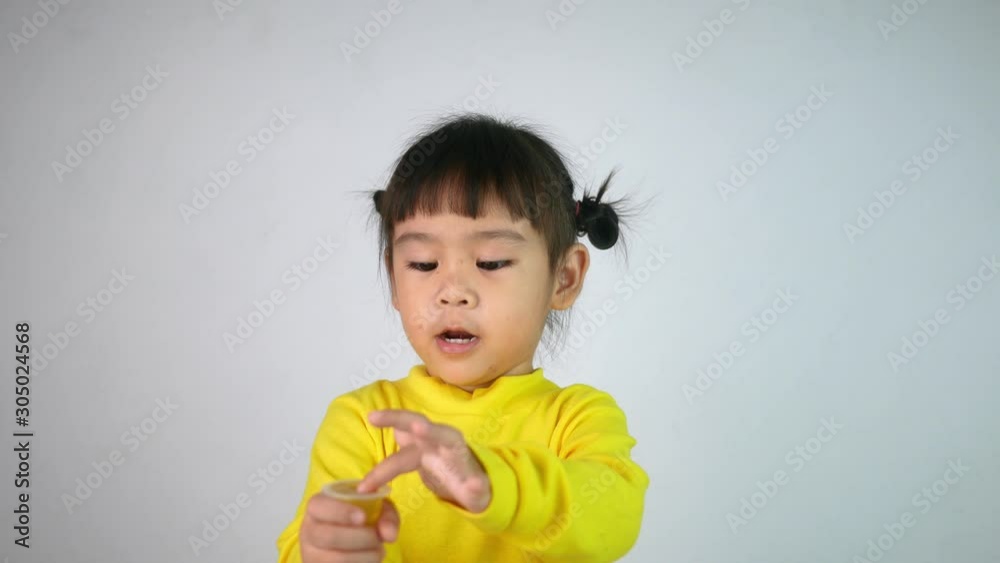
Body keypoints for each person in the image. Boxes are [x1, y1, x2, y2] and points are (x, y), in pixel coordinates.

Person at [276, 113, 650, 562]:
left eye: (491, 262)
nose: (451, 292)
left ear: (564, 279)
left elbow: (612, 520)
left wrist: (493, 483)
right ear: (395, 280)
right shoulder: (365, 422)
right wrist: (324, 550)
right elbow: (305, 546)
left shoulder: (576, 419)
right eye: (422, 264)